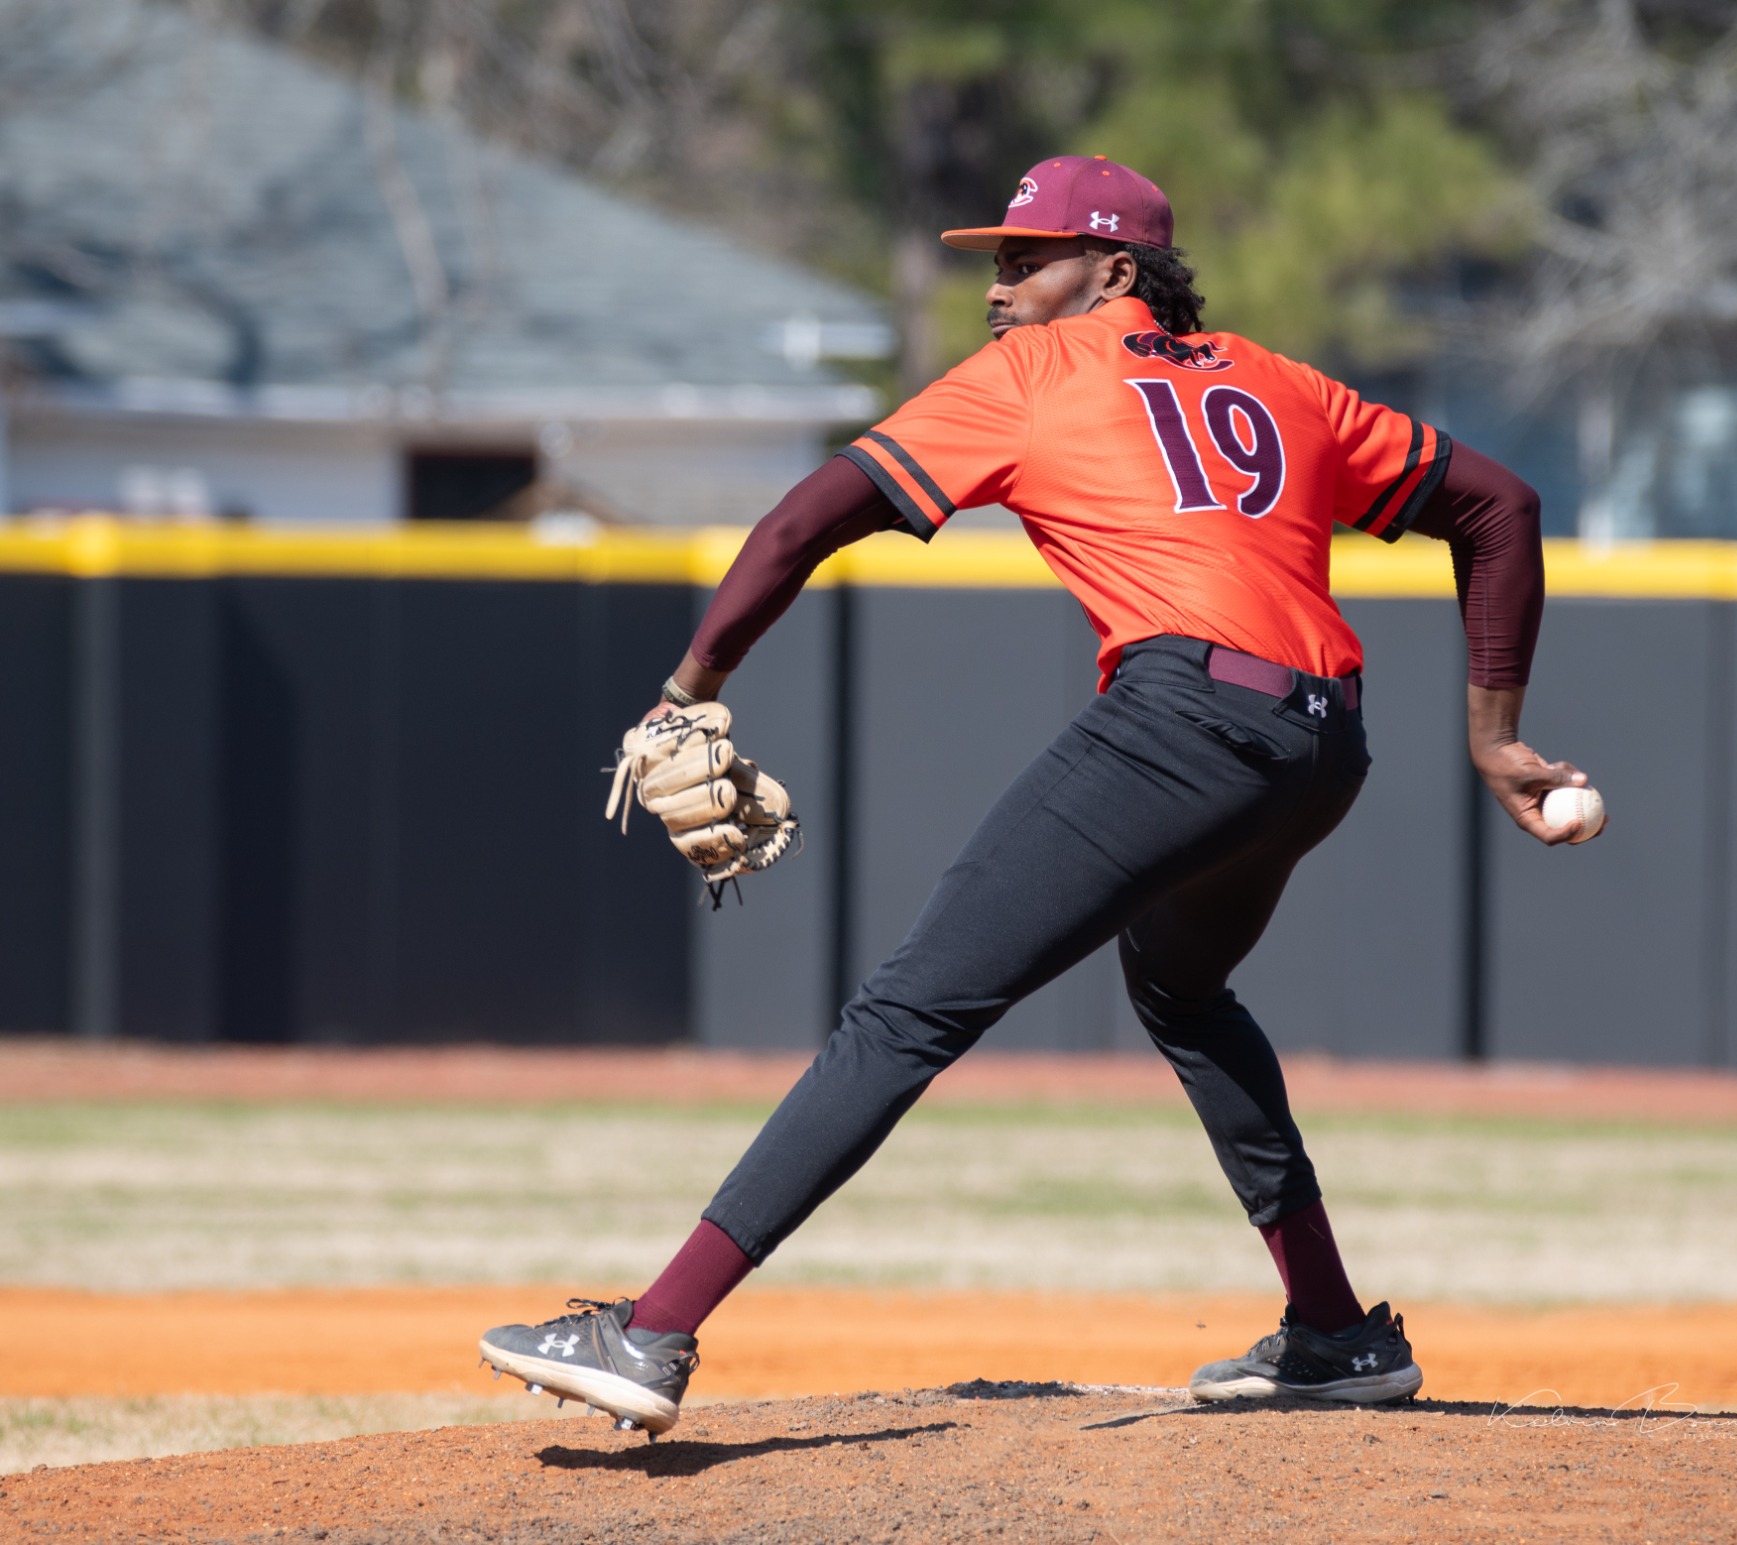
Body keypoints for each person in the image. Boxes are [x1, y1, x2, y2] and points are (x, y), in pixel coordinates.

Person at [478, 155, 1587, 1436]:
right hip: (1318, 741)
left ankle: (652, 1333)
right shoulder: (1287, 384)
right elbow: (1498, 506)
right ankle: (1332, 1333)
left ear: (1114, 272)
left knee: (904, 1012)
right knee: (1179, 991)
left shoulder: (1033, 375)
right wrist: (1495, 735)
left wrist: (687, 686)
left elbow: (802, 521)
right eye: (994, 261)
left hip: (1184, 718)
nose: (998, 288)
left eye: (1027, 259)